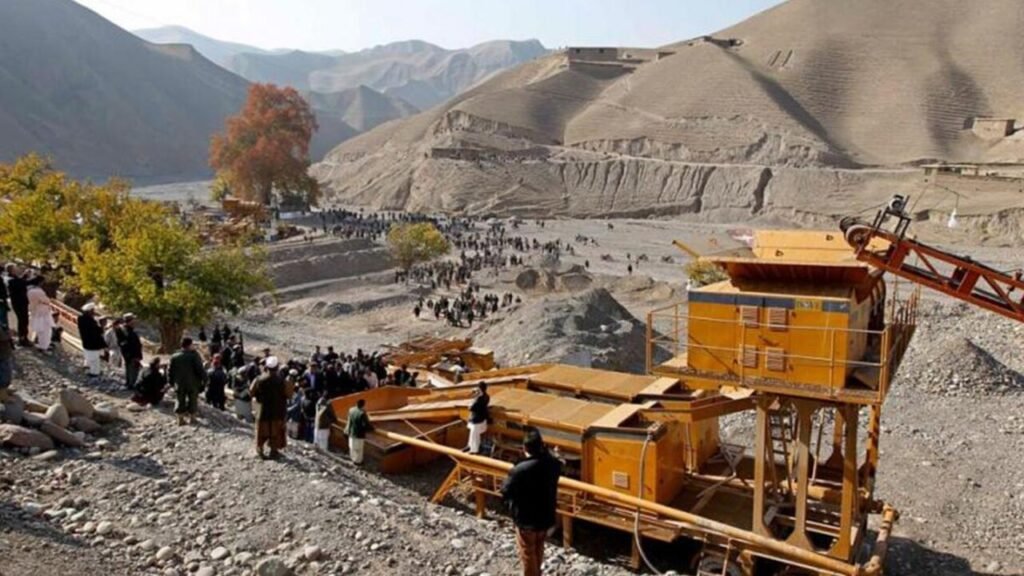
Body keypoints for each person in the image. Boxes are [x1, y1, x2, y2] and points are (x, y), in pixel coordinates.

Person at [501, 427, 562, 576]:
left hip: (525, 518)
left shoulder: (519, 470)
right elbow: (554, 462)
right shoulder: (554, 464)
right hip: (545, 516)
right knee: (539, 547)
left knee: (528, 551)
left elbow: (505, 490)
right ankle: (537, 572)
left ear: (524, 448)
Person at [249, 356, 290, 459]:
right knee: (275, 432)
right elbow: (289, 394)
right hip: (277, 411)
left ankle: (260, 450)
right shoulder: (282, 381)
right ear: (277, 367)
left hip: (263, 411)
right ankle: (273, 451)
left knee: (261, 431)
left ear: (266, 367)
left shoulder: (259, 379)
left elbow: (251, 392)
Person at [168, 337, 206, 425]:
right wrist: (205, 380)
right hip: (192, 383)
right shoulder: (194, 356)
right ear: (189, 345)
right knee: (192, 400)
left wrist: (171, 382)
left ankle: (180, 419)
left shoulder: (174, 356)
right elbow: (200, 369)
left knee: (179, 399)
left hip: (179, 383)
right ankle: (192, 418)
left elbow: (170, 371)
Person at [77, 303, 106, 379]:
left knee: (89, 357)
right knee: (94, 359)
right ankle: (94, 373)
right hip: (92, 343)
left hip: (87, 342)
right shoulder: (89, 320)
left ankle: (89, 369)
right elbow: (96, 331)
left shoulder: (81, 318)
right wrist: (102, 326)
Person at [6, 265, 29, 346]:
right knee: (22, 320)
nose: (17, 269)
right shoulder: (10, 279)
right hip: (19, 303)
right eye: (15, 268)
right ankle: (22, 339)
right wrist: (25, 276)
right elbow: (21, 283)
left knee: (24, 320)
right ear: (12, 270)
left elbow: (21, 282)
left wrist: (25, 276)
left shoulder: (15, 278)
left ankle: (24, 337)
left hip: (21, 302)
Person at [119, 314, 143, 389]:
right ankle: (131, 385)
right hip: (132, 355)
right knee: (132, 370)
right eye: (133, 320)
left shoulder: (127, 330)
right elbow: (130, 345)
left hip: (130, 355)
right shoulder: (127, 331)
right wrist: (136, 356)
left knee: (131, 369)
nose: (135, 321)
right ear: (129, 321)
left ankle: (129, 384)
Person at [345, 398, 373, 465]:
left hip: (351, 433)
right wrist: (372, 429)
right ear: (363, 405)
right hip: (359, 434)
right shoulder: (362, 413)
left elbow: (349, 420)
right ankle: (358, 462)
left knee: (352, 447)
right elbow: (366, 424)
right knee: (359, 449)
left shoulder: (351, 409)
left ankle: (352, 458)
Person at [466, 383, 490, 455]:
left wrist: (475, 397)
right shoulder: (487, 396)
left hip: (476, 419)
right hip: (481, 418)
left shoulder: (479, 398)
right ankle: (470, 446)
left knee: (474, 435)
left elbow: (471, 408)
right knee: (474, 435)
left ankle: (474, 450)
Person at [0, 327, 13, 398]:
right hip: (2, 354)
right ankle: (2, 393)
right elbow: (2, 337)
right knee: (5, 373)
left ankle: (4, 390)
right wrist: (8, 334)